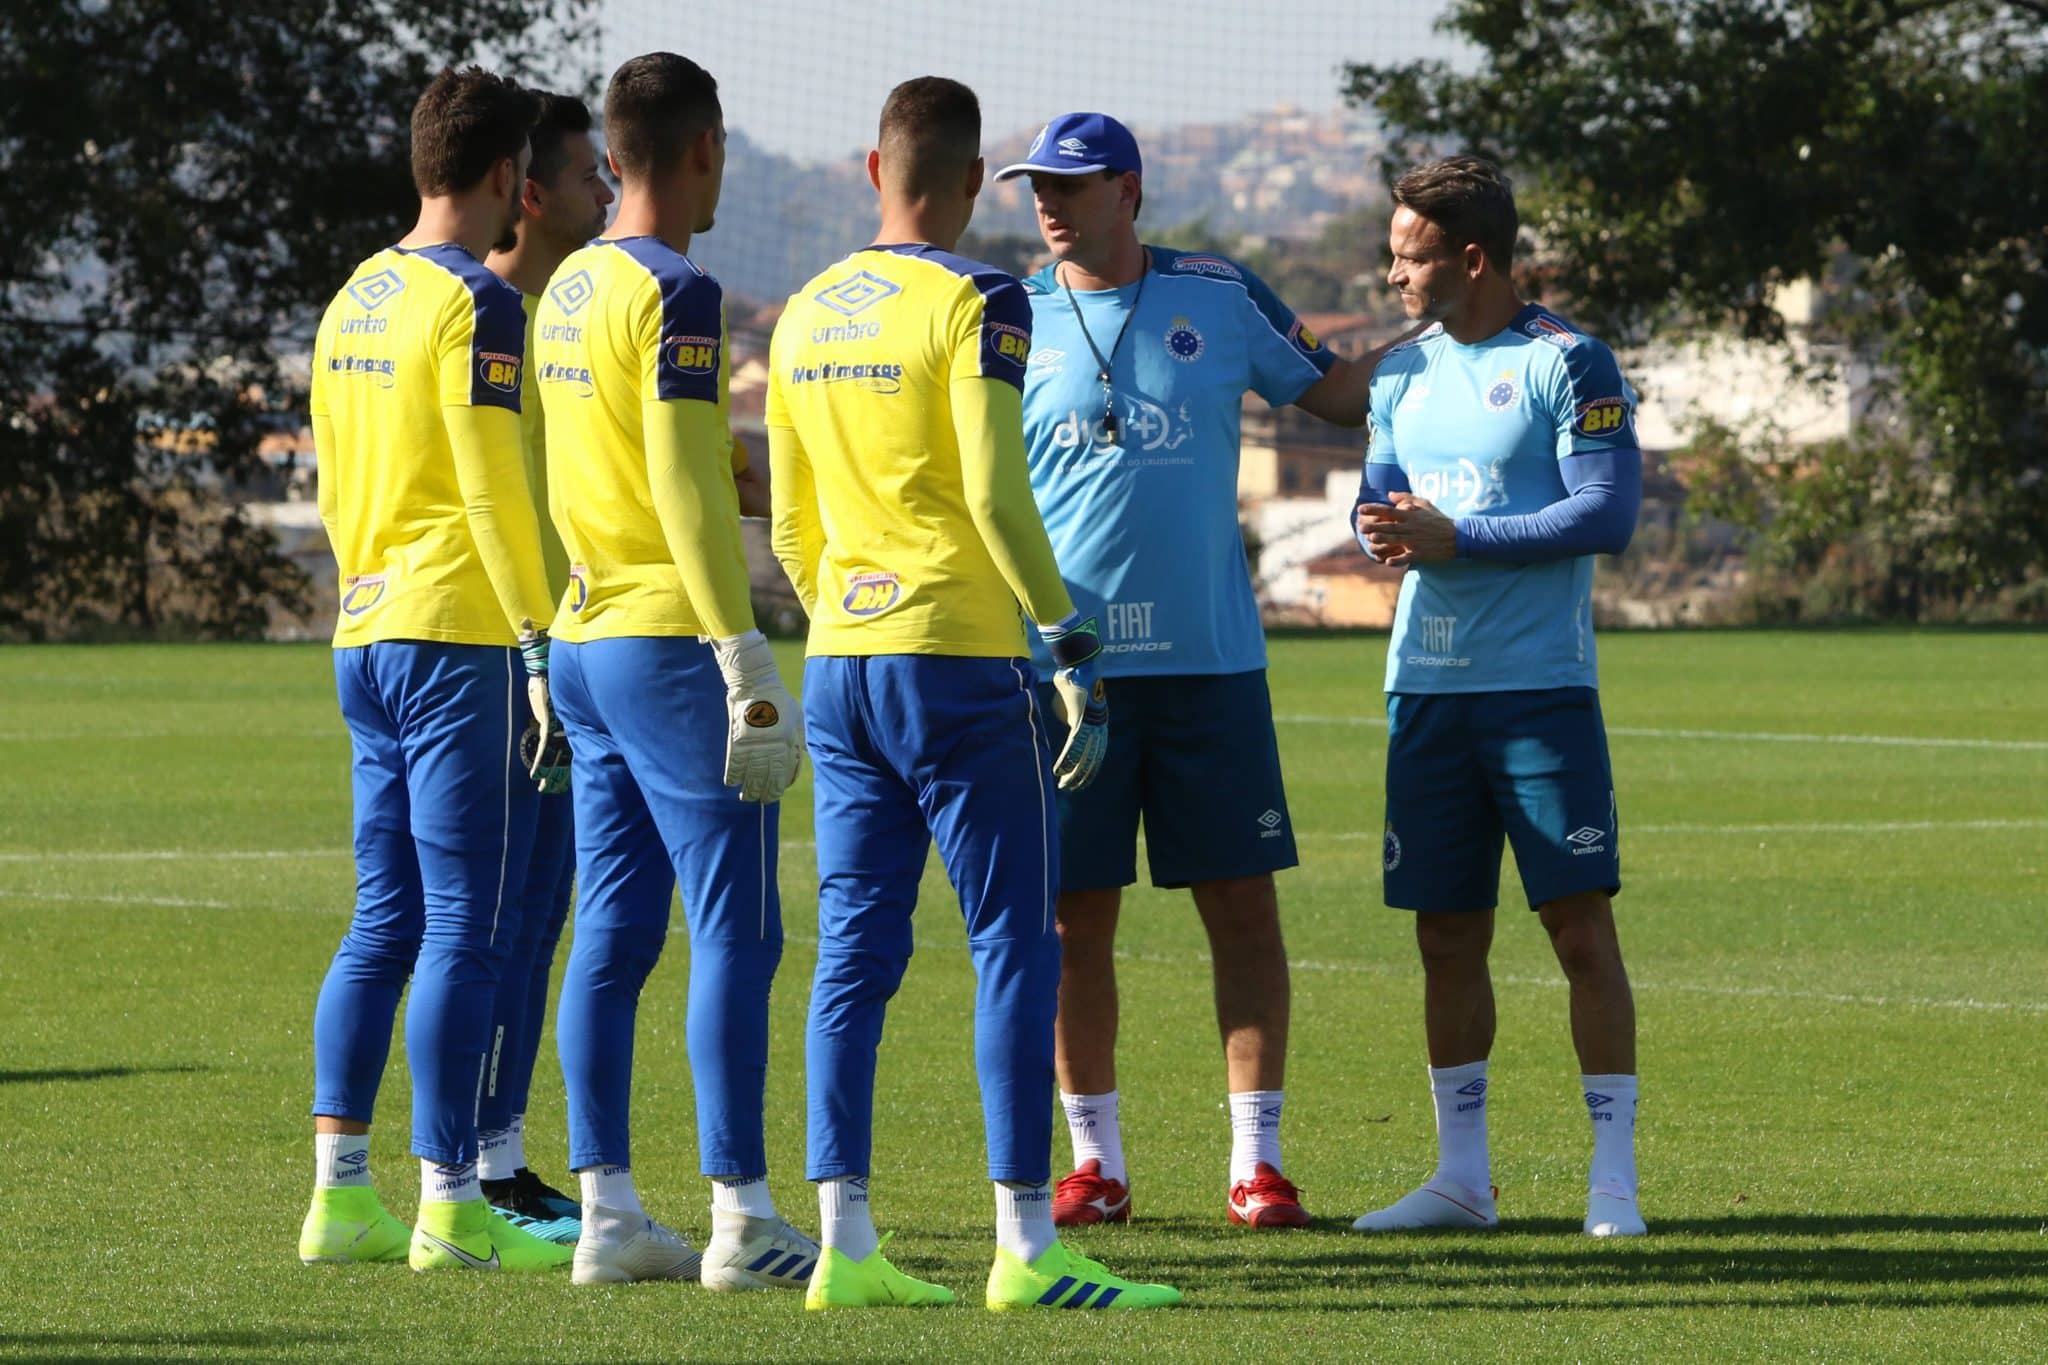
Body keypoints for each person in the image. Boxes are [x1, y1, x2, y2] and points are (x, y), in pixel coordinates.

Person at [767, 77, 1179, 1312]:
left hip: (841, 662)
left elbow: (786, 522)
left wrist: (849, 605)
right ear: (965, 179)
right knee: (1015, 948)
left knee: (852, 954)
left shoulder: (797, 312)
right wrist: (1066, 642)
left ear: (868, 168)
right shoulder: (978, 295)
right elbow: (999, 495)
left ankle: (844, 1247)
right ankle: (1024, 1250)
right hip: (958, 661)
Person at [993, 111, 1388, 1228]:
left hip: (1210, 666)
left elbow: (1332, 395)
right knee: (1073, 924)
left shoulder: (1219, 294)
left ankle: (1253, 1166)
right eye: (1036, 187)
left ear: (1129, 189)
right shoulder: (1012, 315)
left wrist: (1434, 327)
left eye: (1070, 186)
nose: (1047, 205)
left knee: (1242, 912)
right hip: (1067, 677)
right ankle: (1094, 1166)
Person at [532, 51, 813, 1288]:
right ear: (705, 150)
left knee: (612, 931)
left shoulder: (561, 285)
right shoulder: (678, 289)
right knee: (737, 933)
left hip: (586, 635)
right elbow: (680, 490)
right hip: (664, 642)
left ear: (614, 153)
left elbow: (578, 470)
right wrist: (743, 648)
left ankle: (606, 1216)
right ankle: (742, 1221)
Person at [299, 66, 573, 1273]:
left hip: (364, 630)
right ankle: (452, 1205)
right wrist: (535, 640)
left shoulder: (354, 294)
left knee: (383, 919)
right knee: (469, 921)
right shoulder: (479, 304)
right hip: (458, 634)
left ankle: (339, 1198)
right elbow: (487, 483)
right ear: (512, 177)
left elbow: (336, 475)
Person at [1348, 154, 1646, 1238]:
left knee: (1576, 932)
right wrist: (1379, 529)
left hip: (1540, 695)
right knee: (1443, 937)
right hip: (1422, 689)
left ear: (1469, 258)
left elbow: (1602, 515)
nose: (1391, 276)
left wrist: (1457, 535)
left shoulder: (1569, 362)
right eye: (1389, 256)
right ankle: (1459, 1179)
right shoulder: (1396, 374)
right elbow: (1375, 499)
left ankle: (1610, 1180)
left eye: (1409, 257)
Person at [477, 88, 614, 1248]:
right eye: (586, 178)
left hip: (556, 655)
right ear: (528, 193)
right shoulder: (487, 325)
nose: (606, 193)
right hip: (494, 658)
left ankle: (499, 1161)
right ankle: (474, 1172)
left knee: (533, 912)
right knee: (493, 917)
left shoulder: (560, 322)